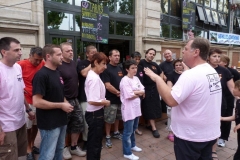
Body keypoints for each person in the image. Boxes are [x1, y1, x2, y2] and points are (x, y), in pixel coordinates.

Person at [144, 37, 222, 159]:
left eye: (185, 49)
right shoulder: (212, 71)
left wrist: (157, 79)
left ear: (196, 52)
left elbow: (170, 100)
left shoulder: (190, 75)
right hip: (209, 134)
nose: (183, 52)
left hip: (191, 136)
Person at [32, 44, 74, 160]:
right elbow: (36, 102)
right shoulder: (41, 75)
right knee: (47, 154)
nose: (62, 57)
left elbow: (60, 94)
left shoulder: (57, 72)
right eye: (59, 54)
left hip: (61, 120)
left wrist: (66, 103)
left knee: (59, 150)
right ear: (48, 56)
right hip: (49, 123)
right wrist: (61, 105)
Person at [0, 37, 34, 160]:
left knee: (21, 155)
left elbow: (20, 91)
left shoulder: (17, 67)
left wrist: (28, 109)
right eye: (16, 50)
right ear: (4, 52)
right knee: (9, 156)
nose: (20, 52)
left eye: (20, 49)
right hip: (6, 126)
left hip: (20, 121)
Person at [58, 42, 86, 159]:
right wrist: (64, 101)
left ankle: (73, 147)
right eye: (67, 51)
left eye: (71, 50)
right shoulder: (59, 65)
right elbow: (58, 86)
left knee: (78, 123)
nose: (71, 52)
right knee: (64, 126)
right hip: (64, 100)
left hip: (75, 99)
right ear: (61, 53)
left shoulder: (74, 63)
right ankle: (64, 148)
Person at [18, 46, 45, 160]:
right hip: (27, 101)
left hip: (38, 100)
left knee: (36, 125)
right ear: (30, 56)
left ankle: (32, 144)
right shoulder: (21, 65)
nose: (38, 62)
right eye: (36, 59)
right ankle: (28, 148)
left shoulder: (42, 63)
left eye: (40, 59)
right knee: (28, 127)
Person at [208, 48, 234, 159]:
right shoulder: (203, 69)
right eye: (214, 56)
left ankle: (213, 150)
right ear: (208, 57)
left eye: (219, 56)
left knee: (215, 127)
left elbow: (232, 88)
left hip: (219, 104)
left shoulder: (225, 71)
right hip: (204, 104)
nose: (217, 58)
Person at [85, 52, 110, 160]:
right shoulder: (94, 78)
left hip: (95, 113)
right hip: (95, 114)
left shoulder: (93, 75)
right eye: (103, 64)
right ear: (95, 62)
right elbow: (92, 101)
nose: (105, 67)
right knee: (95, 143)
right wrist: (105, 102)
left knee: (94, 142)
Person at [120, 59, 145, 160]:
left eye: (136, 67)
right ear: (127, 69)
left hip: (136, 108)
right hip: (128, 109)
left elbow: (143, 89)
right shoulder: (124, 80)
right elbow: (128, 95)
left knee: (134, 129)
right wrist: (138, 92)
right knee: (127, 131)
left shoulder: (136, 79)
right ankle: (127, 152)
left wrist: (136, 92)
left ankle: (133, 145)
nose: (135, 70)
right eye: (132, 68)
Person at [101, 49, 124, 148]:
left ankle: (116, 132)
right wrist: (118, 92)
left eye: (118, 55)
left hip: (120, 99)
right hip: (110, 99)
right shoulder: (106, 69)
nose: (117, 57)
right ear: (109, 57)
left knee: (118, 117)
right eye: (115, 55)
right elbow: (107, 85)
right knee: (109, 119)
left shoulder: (120, 68)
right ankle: (107, 136)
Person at [139, 48, 163, 138]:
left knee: (155, 107)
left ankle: (149, 124)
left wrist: (159, 81)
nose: (151, 55)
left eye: (153, 54)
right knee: (149, 108)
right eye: (150, 53)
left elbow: (161, 72)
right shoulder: (141, 63)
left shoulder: (155, 64)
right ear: (146, 54)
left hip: (155, 88)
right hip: (146, 89)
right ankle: (154, 128)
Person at [77, 45, 97, 151]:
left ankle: (94, 141)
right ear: (87, 54)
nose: (94, 54)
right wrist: (93, 63)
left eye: (96, 52)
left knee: (96, 121)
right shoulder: (82, 63)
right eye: (92, 53)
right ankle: (86, 141)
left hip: (96, 97)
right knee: (86, 122)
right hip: (85, 97)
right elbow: (84, 73)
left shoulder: (98, 63)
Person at [221, 80, 240, 160]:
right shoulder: (238, 102)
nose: (233, 89)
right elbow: (236, 116)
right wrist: (222, 118)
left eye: (235, 87)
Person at [166, 59, 183, 142]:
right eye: (176, 65)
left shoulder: (186, 74)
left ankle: (178, 132)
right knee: (171, 116)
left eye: (180, 65)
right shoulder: (171, 74)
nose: (178, 66)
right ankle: (170, 132)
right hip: (174, 98)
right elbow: (169, 87)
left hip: (183, 100)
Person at [131, 52, 144, 136]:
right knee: (131, 113)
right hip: (131, 95)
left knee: (137, 112)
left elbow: (142, 82)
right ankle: (131, 129)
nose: (137, 61)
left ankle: (136, 128)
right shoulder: (127, 69)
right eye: (136, 59)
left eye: (139, 59)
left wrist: (143, 91)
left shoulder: (141, 68)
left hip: (139, 94)